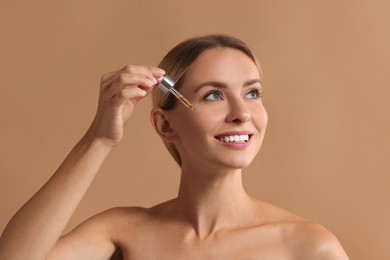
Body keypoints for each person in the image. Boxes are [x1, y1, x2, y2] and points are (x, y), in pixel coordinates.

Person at [0, 34, 349, 259]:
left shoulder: (308, 247)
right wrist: (99, 138)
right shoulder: (125, 232)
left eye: (252, 93)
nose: (242, 113)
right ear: (165, 125)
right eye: (214, 95)